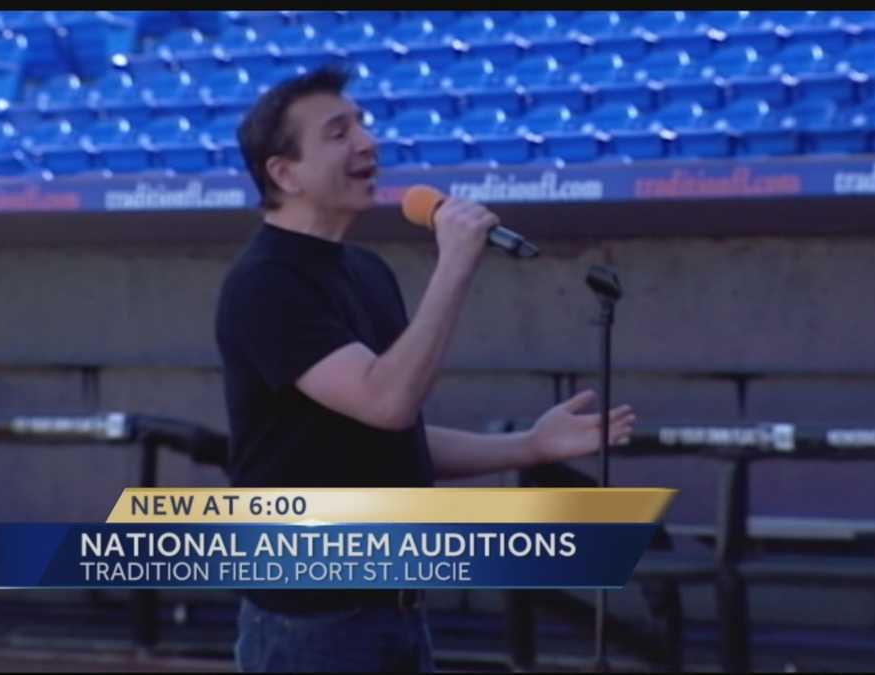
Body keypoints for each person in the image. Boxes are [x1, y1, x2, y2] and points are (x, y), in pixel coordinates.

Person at [214, 65, 637, 673]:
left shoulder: (365, 271)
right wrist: (455, 265)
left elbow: (391, 436)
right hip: (311, 621)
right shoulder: (267, 282)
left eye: (362, 124)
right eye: (338, 133)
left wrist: (532, 445)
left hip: (396, 608)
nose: (367, 141)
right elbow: (385, 400)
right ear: (285, 173)